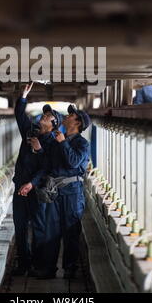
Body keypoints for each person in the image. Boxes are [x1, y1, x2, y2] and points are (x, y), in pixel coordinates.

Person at [20, 104, 91, 279]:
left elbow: (73, 163)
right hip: (55, 191)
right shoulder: (59, 139)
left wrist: (63, 143)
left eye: (71, 115)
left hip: (72, 193)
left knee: (70, 232)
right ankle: (48, 268)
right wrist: (38, 153)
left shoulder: (82, 143)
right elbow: (48, 164)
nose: (67, 116)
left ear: (77, 122)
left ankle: (70, 268)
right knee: (51, 231)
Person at [12, 83, 62, 275]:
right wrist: (23, 96)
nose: (44, 116)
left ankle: (39, 265)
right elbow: (19, 115)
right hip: (20, 187)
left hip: (37, 190)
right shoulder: (29, 131)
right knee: (20, 226)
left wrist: (31, 183)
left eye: (48, 116)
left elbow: (47, 168)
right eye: (44, 114)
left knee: (39, 227)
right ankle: (23, 264)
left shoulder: (53, 142)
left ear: (53, 124)